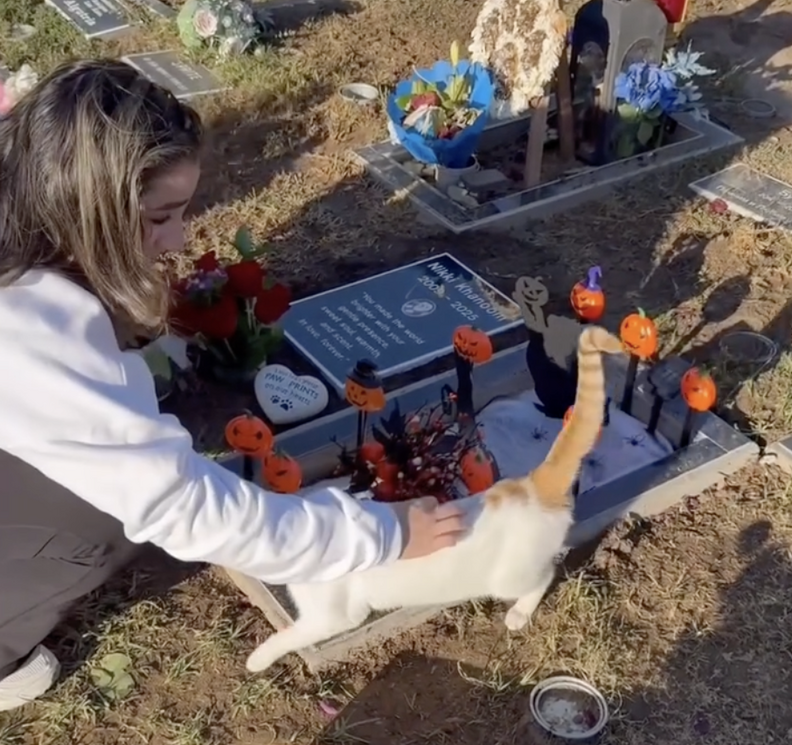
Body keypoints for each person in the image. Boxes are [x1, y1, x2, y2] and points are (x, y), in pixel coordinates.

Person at [0, 59, 466, 712]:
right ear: (85, 206)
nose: (178, 239)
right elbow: (181, 505)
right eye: (158, 217)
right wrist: (383, 534)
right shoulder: (23, 329)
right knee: (104, 506)